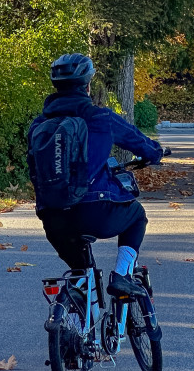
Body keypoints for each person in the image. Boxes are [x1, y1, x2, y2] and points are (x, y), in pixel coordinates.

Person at [28, 54, 163, 296]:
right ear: (88, 86)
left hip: (52, 216)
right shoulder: (100, 117)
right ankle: (122, 275)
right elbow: (140, 143)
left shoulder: (39, 125)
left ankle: (76, 322)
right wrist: (156, 153)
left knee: (81, 272)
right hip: (96, 209)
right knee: (137, 216)